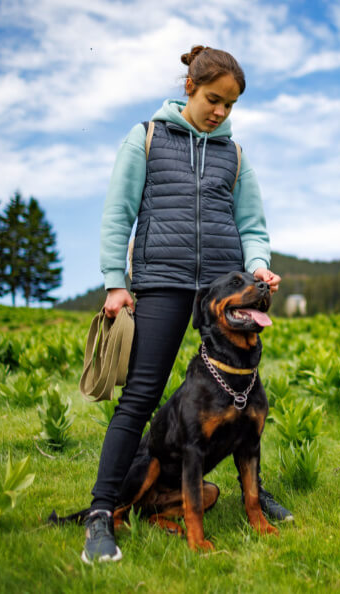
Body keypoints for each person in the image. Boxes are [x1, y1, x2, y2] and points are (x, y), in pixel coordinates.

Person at [83, 45, 289, 564]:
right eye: (214, 99)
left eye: (231, 105)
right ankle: (102, 514)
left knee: (241, 396)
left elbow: (253, 225)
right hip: (162, 281)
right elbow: (118, 212)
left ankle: (253, 493)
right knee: (142, 396)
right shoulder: (147, 136)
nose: (220, 112)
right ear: (190, 88)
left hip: (222, 289)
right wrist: (115, 281)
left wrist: (258, 265)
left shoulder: (234, 154)